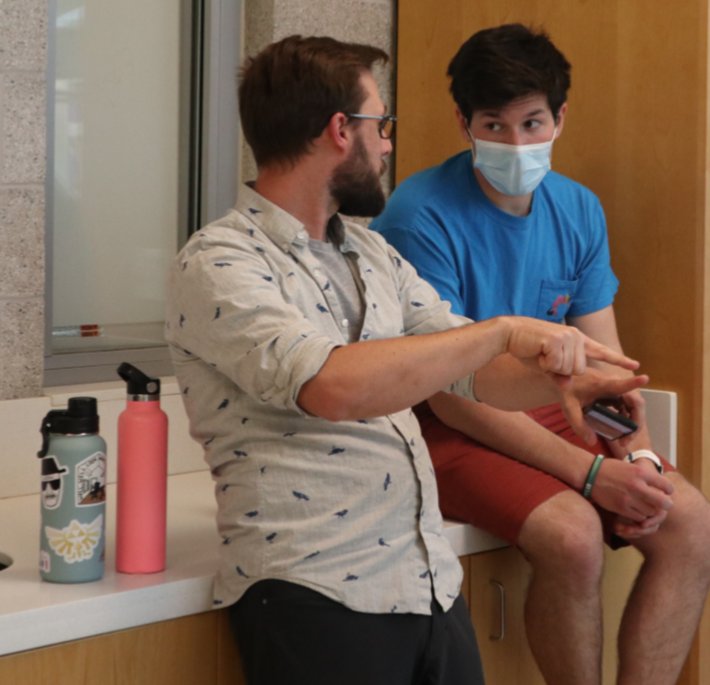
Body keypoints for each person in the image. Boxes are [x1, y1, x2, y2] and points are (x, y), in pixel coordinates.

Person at [165, 34, 657, 685]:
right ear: (341, 130)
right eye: (382, 125)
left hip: (424, 582)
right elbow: (331, 385)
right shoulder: (219, 261)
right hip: (315, 589)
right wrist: (504, 331)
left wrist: (561, 380)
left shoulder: (371, 254)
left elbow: (470, 370)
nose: (388, 145)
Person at [371, 24, 710, 685]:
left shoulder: (578, 209)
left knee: (695, 528)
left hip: (557, 408)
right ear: (464, 123)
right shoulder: (419, 216)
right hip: (445, 424)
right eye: (494, 126)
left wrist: (640, 461)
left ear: (560, 118)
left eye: (532, 123)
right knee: (573, 535)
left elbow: (608, 366)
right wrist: (591, 478)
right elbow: (449, 393)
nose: (516, 144)